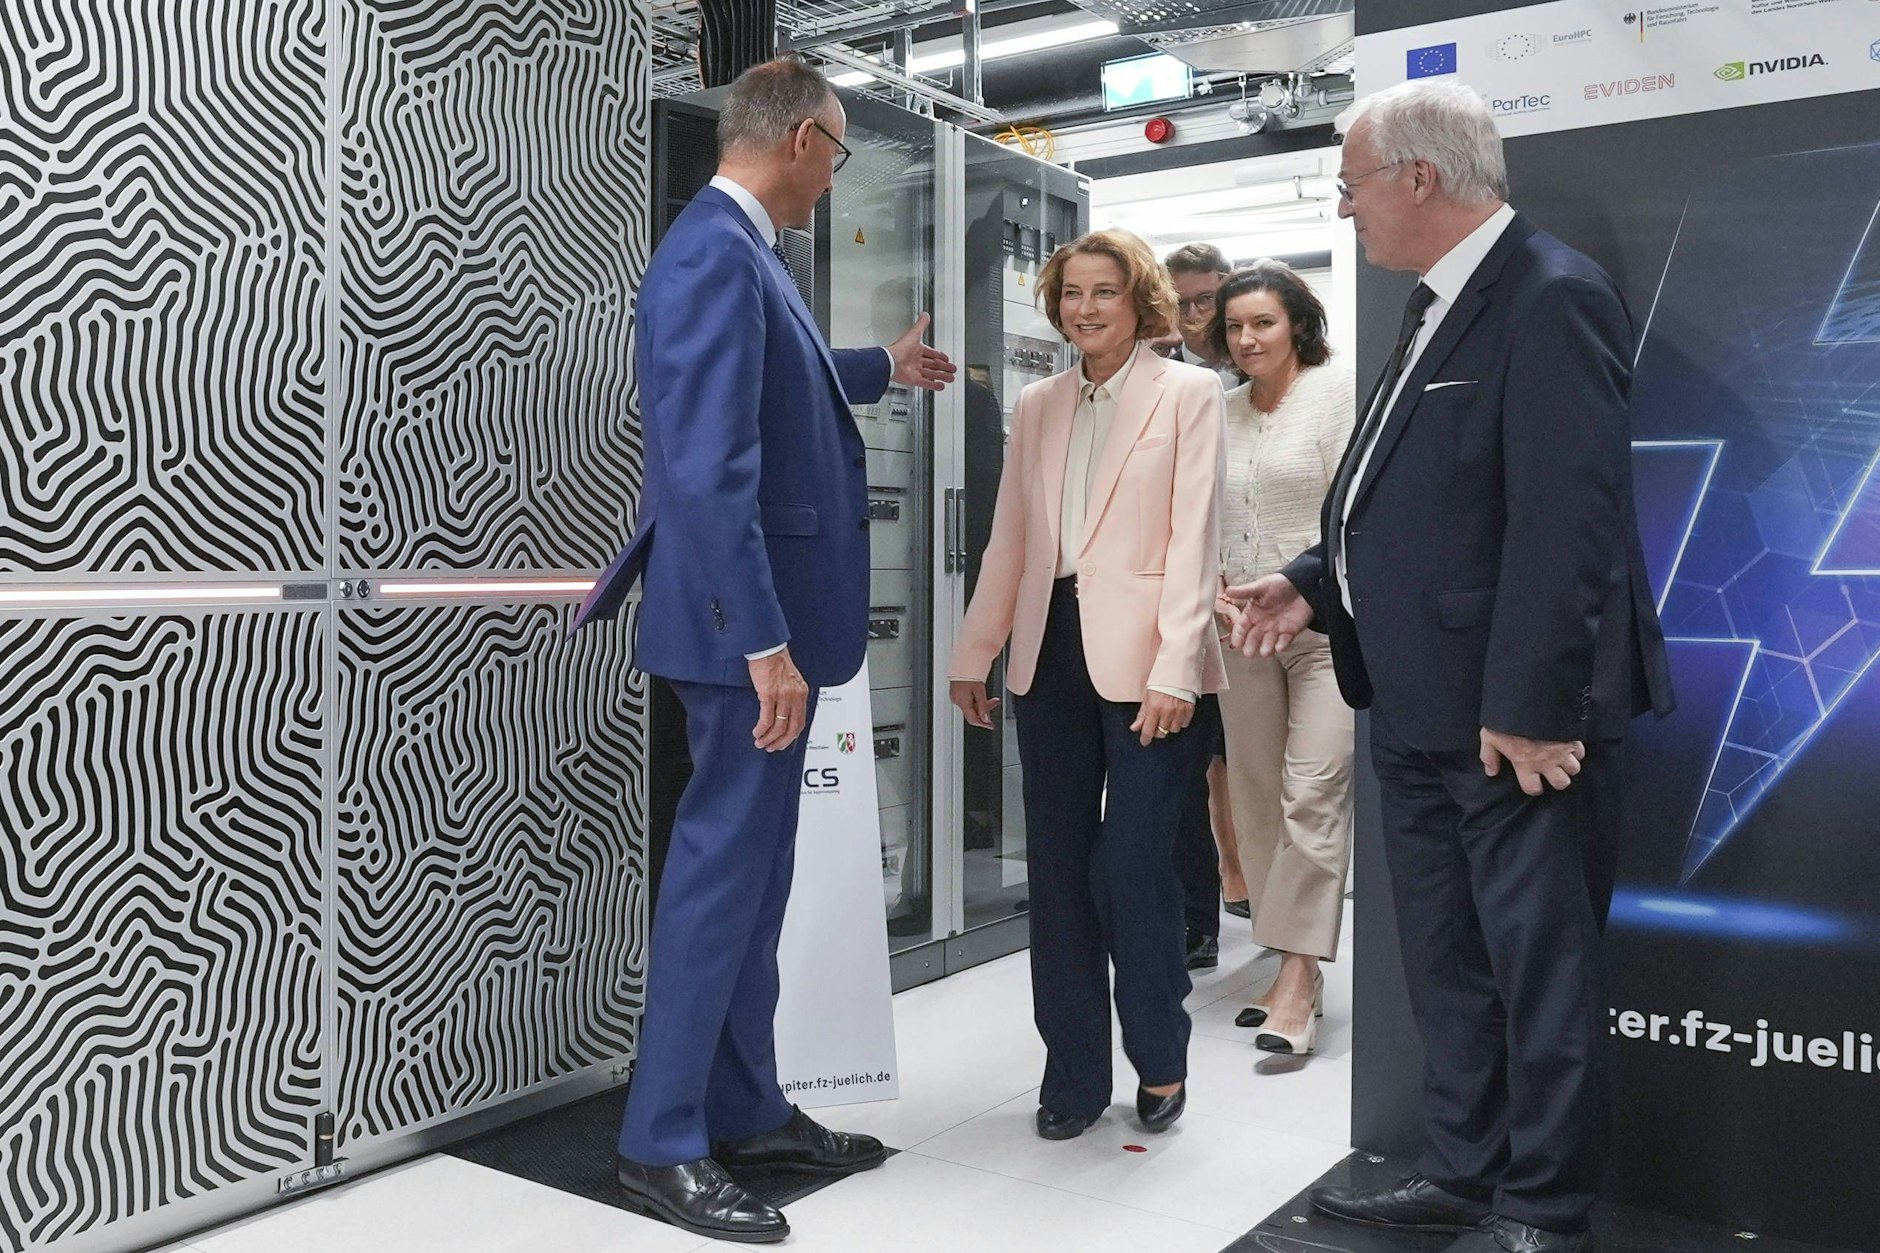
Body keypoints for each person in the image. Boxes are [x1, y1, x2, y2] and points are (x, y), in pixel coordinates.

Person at [1229, 81, 1672, 1253]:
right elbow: (1403, 495)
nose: (1343, 206)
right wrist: (1312, 581)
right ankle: (1464, 1170)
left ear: (1417, 177)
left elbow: (1566, 521)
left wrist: (1530, 707)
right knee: (1446, 962)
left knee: (1537, 968)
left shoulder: (1550, 294)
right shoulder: (1434, 300)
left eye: (1350, 183)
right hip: (1417, 703)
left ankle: (1542, 1206)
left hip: (1509, 719)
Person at [573, 57, 955, 1245]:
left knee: (753, 884)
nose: (833, 177)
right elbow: (704, 470)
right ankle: (661, 1141)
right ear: (800, 140)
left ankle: (743, 1106)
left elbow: (773, 385)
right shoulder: (711, 252)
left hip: (752, 627)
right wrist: (764, 642)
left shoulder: (743, 251)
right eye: (836, 153)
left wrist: (880, 367)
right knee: (717, 883)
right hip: (742, 634)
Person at [948, 228, 1225, 1142]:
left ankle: (1160, 1051)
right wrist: (974, 650)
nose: (1085, 308)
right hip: (1049, 653)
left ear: (1138, 300)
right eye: (1071, 293)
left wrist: (1177, 667)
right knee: (1061, 871)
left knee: (1132, 864)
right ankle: (1072, 1070)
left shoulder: (1188, 393)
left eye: (1104, 291)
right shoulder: (1037, 402)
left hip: (1153, 661)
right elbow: (1012, 537)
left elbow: (1194, 539)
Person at [1210, 261, 1357, 1056]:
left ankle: (1299, 977)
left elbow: (1355, 514)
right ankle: (1286, 956)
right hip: (1239, 629)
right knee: (1258, 794)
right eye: (1234, 326)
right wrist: (1210, 588)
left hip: (1324, 629)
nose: (1246, 338)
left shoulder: (1337, 395)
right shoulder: (1217, 408)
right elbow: (1194, 512)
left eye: (1262, 322)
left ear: (1298, 323)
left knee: (1313, 789)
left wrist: (1305, 589)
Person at [1162, 244, 1247, 963]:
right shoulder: (1156, 379)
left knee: (1257, 767)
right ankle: (1199, 919)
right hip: (1185, 604)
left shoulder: (1274, 374)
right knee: (1187, 766)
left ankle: (1273, 905)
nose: (1193, 316)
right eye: (1180, 301)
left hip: (1261, 602)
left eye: (1205, 300)